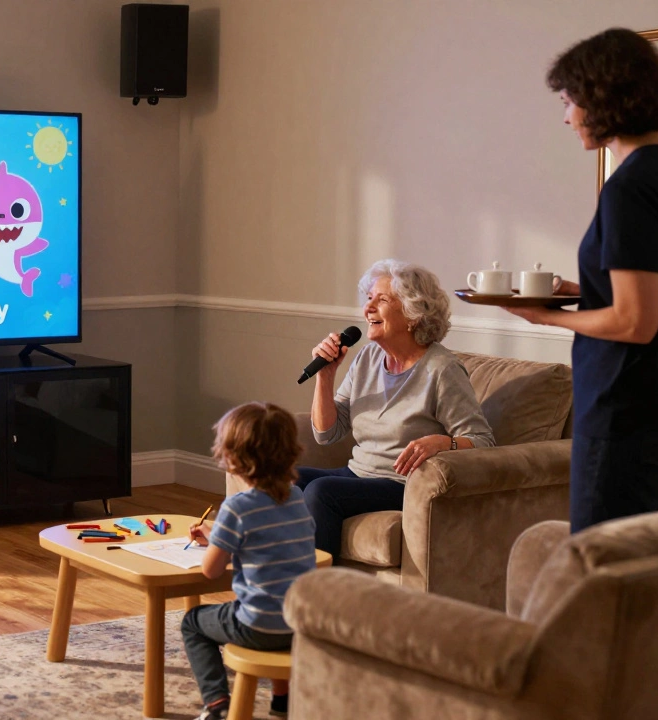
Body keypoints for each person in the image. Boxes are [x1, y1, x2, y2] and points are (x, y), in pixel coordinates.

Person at [506, 28, 658, 532]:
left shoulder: (628, 188)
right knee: (643, 570)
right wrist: (582, 292)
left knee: (600, 573)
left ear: (602, 97)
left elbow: (636, 321)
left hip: (622, 406)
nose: (567, 117)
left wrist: (544, 315)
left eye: (569, 102)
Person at [303, 260, 495, 555]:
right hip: (357, 474)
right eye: (369, 299)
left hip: (403, 484)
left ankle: (318, 595)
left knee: (320, 492)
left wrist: (444, 442)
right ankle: (269, 585)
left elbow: (484, 441)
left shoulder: (442, 370)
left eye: (382, 300)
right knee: (278, 480)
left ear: (413, 314)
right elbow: (327, 434)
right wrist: (325, 377)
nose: (368, 309)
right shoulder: (367, 357)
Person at [182, 401, 315, 720]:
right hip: (300, 623)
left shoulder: (238, 507)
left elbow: (211, 570)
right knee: (276, 605)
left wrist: (218, 541)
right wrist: (220, 536)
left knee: (193, 623)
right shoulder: (297, 497)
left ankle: (216, 703)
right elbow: (271, 542)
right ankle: (282, 703)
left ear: (233, 457)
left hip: (257, 624)